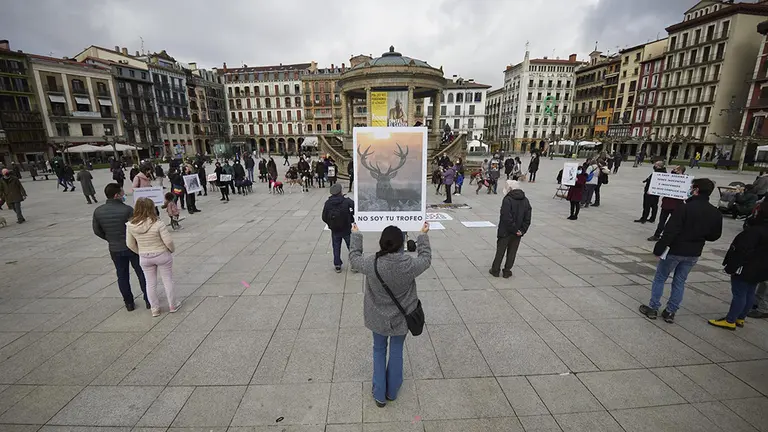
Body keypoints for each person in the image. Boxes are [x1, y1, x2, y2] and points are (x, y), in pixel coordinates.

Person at [350, 222, 431, 408]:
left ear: (382, 243)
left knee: (378, 350)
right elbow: (426, 259)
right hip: (402, 318)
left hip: (377, 316)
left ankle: (379, 394)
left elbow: (354, 259)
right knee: (396, 351)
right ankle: (392, 391)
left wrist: (356, 235)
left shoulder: (372, 263)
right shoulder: (409, 264)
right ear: (401, 243)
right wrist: (423, 236)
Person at [639, 178, 723, 323]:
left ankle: (653, 308)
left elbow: (670, 231)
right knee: (679, 281)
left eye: (692, 187)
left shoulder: (684, 208)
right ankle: (671, 311)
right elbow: (714, 235)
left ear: (696, 190)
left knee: (660, 277)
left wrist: (659, 248)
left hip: (675, 250)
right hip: (693, 252)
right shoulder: (715, 212)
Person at [706, 203, 768, 329]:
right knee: (750, 292)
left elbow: (741, 251)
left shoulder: (755, 231)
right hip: (760, 268)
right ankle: (740, 318)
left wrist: (731, 267)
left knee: (740, 294)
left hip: (746, 267)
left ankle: (730, 320)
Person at [93, 183, 148, 311]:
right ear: (116, 195)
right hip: (132, 247)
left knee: (122, 275)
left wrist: (110, 238)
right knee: (141, 273)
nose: (124, 195)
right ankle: (148, 299)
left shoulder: (98, 211)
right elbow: (136, 228)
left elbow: (97, 231)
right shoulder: (127, 210)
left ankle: (129, 303)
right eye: (122, 193)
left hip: (114, 248)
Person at [126, 197, 180, 317]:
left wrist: (140, 251)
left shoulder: (130, 225)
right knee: (167, 280)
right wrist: (171, 250)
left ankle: (155, 308)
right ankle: (172, 305)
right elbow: (168, 241)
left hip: (145, 256)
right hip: (161, 253)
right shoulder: (158, 223)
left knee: (150, 283)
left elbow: (130, 244)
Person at [490, 180, 532, 278]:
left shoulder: (507, 199)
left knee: (500, 251)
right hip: (517, 233)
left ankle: (495, 270)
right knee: (512, 252)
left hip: (506, 231)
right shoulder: (525, 200)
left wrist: (514, 229)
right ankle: (507, 271)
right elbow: (528, 218)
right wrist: (521, 230)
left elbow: (506, 217)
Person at [322, 183, 355, 272]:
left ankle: (337, 265)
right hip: (346, 228)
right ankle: (354, 264)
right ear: (340, 191)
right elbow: (356, 208)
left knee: (336, 246)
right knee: (351, 246)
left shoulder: (328, 203)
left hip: (335, 230)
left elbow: (324, 217)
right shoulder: (347, 201)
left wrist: (330, 224)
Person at [648, 165, 686, 241]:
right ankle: (657, 235)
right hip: (666, 204)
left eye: (675, 169)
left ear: (680, 171)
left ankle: (672, 236)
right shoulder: (669, 178)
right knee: (662, 221)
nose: (673, 170)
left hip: (677, 205)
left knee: (674, 222)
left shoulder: (685, 180)